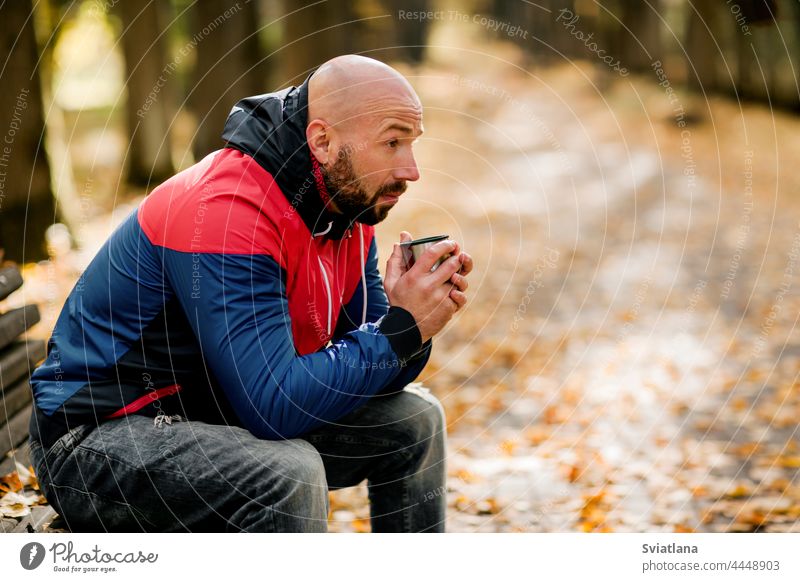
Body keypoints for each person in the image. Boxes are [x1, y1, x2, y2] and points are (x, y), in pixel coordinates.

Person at [27, 55, 473, 532]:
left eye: (411, 144)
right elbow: (274, 408)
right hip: (96, 441)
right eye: (392, 142)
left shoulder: (347, 208)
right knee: (288, 471)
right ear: (322, 141)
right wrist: (399, 330)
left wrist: (412, 324)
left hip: (217, 415)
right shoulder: (226, 213)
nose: (411, 170)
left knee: (413, 421)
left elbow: (376, 376)